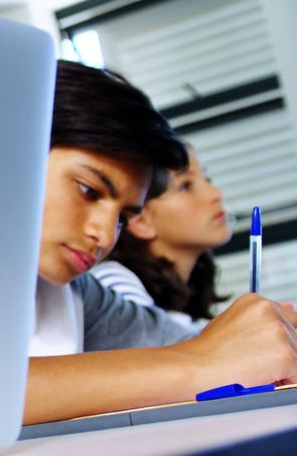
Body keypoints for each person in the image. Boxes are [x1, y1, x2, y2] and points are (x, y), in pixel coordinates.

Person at [24, 60, 297, 425]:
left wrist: (265, 343)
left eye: (122, 217)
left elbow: (177, 344)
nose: (104, 236)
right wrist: (200, 363)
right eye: (88, 191)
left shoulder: (78, 296)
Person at [90, 146, 231, 330]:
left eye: (207, 179)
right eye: (185, 186)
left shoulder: (185, 318)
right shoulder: (111, 286)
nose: (215, 194)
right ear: (140, 221)